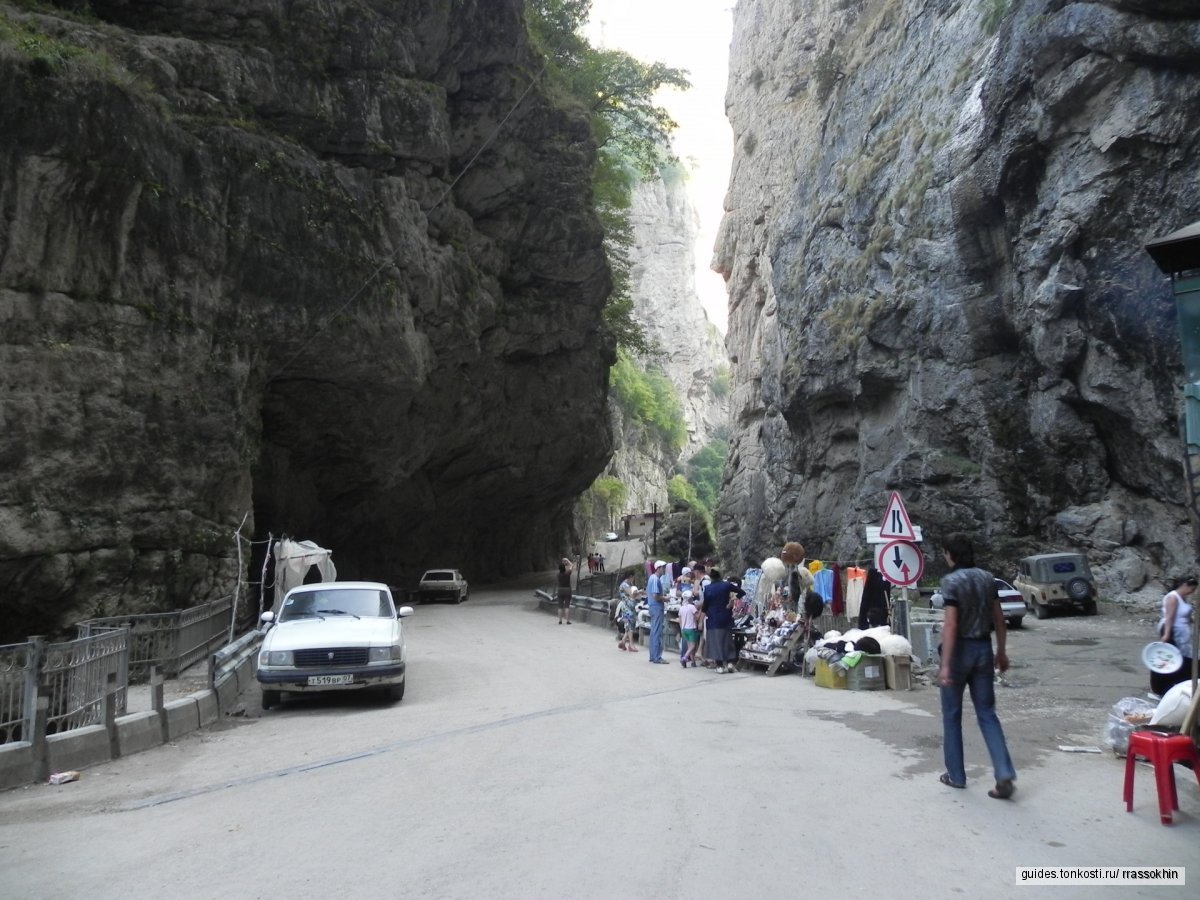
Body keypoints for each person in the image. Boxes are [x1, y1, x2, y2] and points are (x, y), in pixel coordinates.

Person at [937, 534, 1016, 799]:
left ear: (951, 554)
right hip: (983, 649)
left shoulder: (951, 581)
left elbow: (950, 624)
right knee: (987, 713)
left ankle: (956, 775)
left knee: (952, 715)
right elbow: (999, 618)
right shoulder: (987, 578)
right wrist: (1001, 652)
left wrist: (946, 664)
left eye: (945, 553)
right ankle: (1004, 771)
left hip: (959, 651)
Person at [1152, 575, 1198, 696]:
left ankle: (1181, 682)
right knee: (1174, 658)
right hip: (1173, 631)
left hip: (1183, 632)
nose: (1192, 592)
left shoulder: (1183, 598)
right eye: (1191, 589)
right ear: (1184, 585)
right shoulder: (1173, 597)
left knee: (1183, 658)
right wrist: (1166, 634)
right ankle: (1164, 686)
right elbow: (1169, 617)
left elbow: (1186, 616)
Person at [702, 569, 745, 674]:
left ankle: (720, 665)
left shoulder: (707, 589)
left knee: (716, 642)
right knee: (727, 640)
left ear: (711, 577)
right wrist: (732, 600)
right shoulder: (726, 585)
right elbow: (742, 592)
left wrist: (701, 617)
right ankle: (730, 663)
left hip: (713, 618)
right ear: (720, 575)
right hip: (726, 616)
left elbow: (705, 606)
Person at [646, 560, 670, 664]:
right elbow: (655, 596)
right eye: (663, 568)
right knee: (657, 632)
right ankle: (657, 657)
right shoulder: (655, 579)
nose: (664, 570)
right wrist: (665, 598)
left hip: (653, 607)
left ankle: (653, 655)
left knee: (653, 631)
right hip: (656, 607)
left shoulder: (652, 578)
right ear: (659, 568)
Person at [678, 590, 700, 667]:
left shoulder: (681, 608)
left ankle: (693, 662)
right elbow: (697, 617)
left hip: (684, 629)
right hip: (691, 629)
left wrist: (681, 628)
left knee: (689, 647)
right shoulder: (692, 607)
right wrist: (699, 610)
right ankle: (684, 658)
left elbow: (680, 620)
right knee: (693, 646)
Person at [556, 558, 574, 625]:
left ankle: (560, 621)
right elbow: (572, 565)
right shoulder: (568, 573)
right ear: (564, 568)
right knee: (567, 606)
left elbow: (561, 568)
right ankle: (567, 621)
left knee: (560, 607)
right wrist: (567, 560)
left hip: (560, 590)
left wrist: (562, 563)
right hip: (567, 590)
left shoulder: (558, 575)